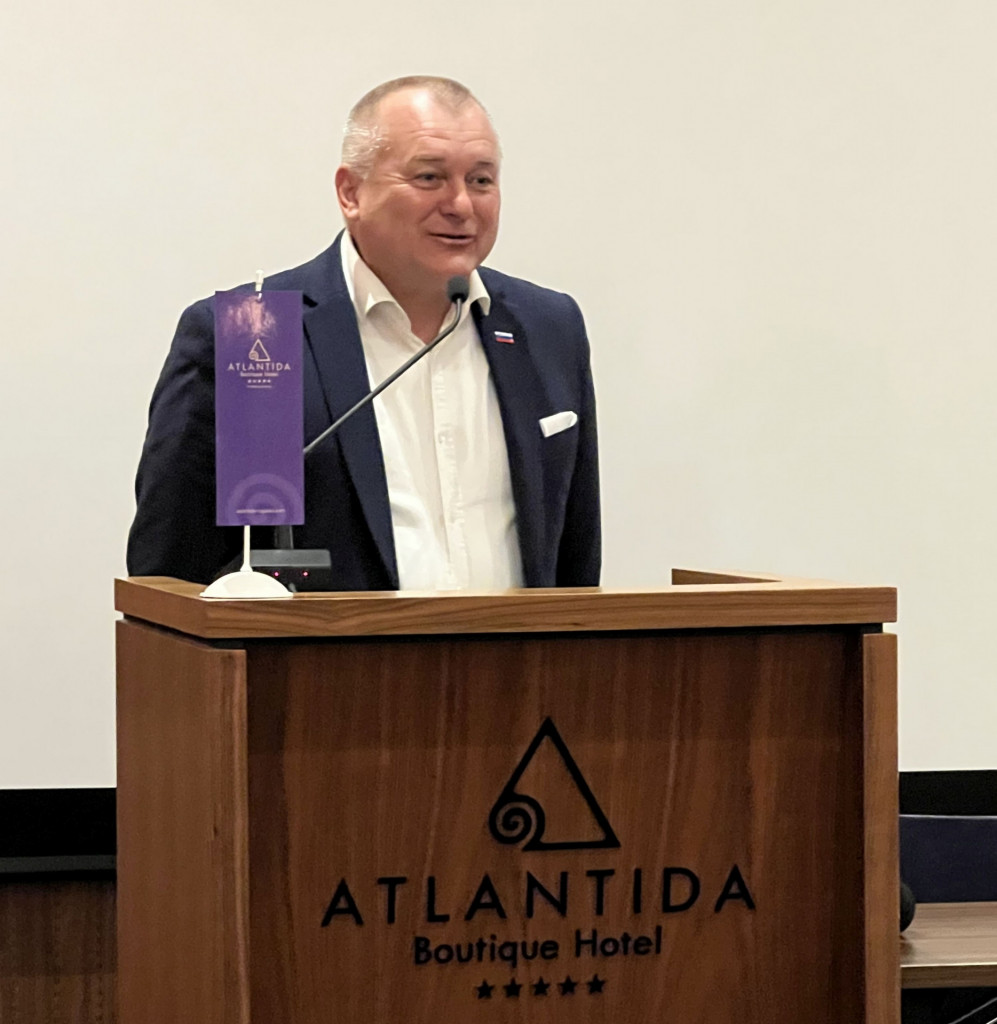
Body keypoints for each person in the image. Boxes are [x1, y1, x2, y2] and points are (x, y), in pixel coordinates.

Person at [127, 76, 600, 590]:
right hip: (322, 669)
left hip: (518, 669)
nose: (462, 204)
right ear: (351, 192)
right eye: (429, 177)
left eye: (481, 181)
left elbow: (576, 558)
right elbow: (169, 575)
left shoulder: (548, 326)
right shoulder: (254, 334)